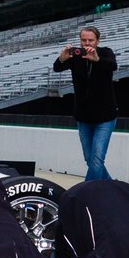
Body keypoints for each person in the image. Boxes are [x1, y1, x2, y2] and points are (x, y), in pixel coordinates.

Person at [52, 26, 119, 182]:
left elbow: (112, 65)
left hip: (106, 116)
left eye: (90, 40)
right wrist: (62, 57)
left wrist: (97, 59)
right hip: (83, 116)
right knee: (89, 159)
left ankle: (85, 193)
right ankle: (111, 186)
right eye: (83, 40)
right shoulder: (76, 56)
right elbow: (57, 68)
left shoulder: (105, 53)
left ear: (98, 41)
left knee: (97, 159)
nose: (86, 43)